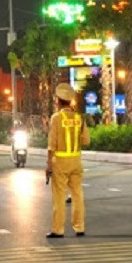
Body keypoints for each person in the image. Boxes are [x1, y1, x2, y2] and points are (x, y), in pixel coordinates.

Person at [45, 83, 90, 238]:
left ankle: (58, 229)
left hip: (61, 163)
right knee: (77, 194)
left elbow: (51, 144)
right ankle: (79, 227)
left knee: (59, 196)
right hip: (76, 161)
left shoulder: (56, 118)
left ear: (58, 100)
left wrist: (48, 165)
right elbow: (86, 140)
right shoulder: (79, 118)